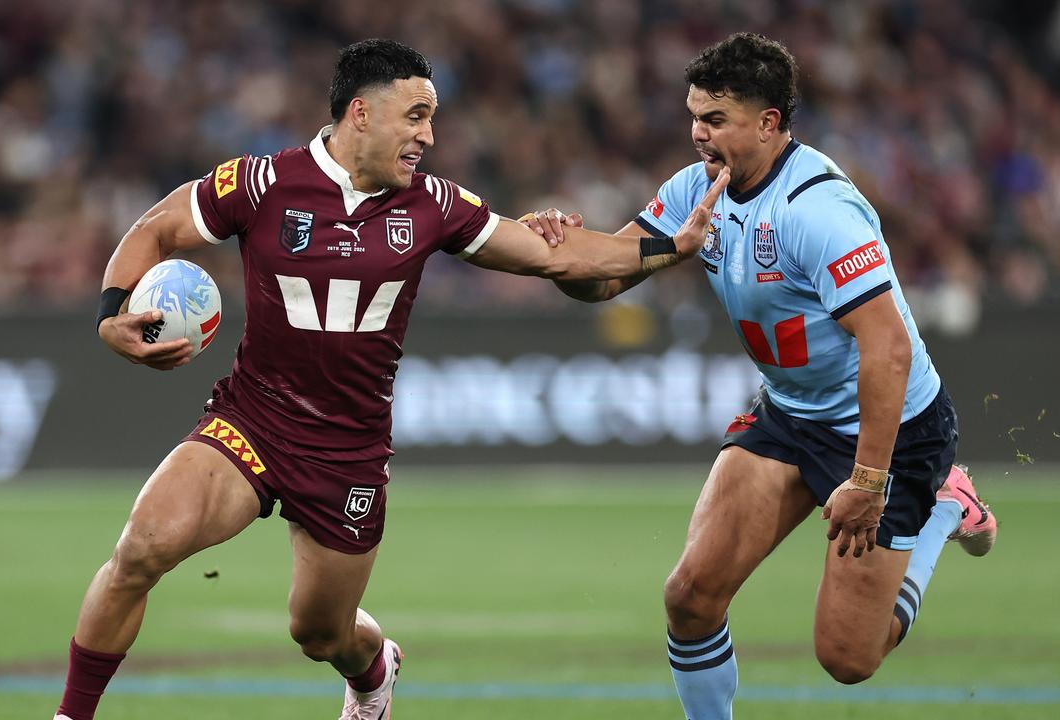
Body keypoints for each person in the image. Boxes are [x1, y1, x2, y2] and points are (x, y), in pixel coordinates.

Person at [54, 38, 727, 720]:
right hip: (251, 423)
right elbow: (156, 227)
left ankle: (374, 669)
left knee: (318, 633)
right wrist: (112, 315)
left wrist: (670, 245)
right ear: (360, 115)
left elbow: (557, 258)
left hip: (348, 451)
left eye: (430, 119)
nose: (428, 136)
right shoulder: (263, 183)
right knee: (142, 546)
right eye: (415, 116)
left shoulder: (436, 205)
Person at [519, 32, 998, 720]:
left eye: (715, 120)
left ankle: (946, 504)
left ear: (769, 122)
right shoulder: (696, 188)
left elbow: (888, 352)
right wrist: (558, 252)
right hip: (790, 415)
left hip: (888, 432)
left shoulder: (819, 210)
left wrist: (868, 481)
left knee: (848, 659)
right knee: (689, 596)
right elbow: (606, 279)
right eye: (694, 115)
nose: (697, 133)